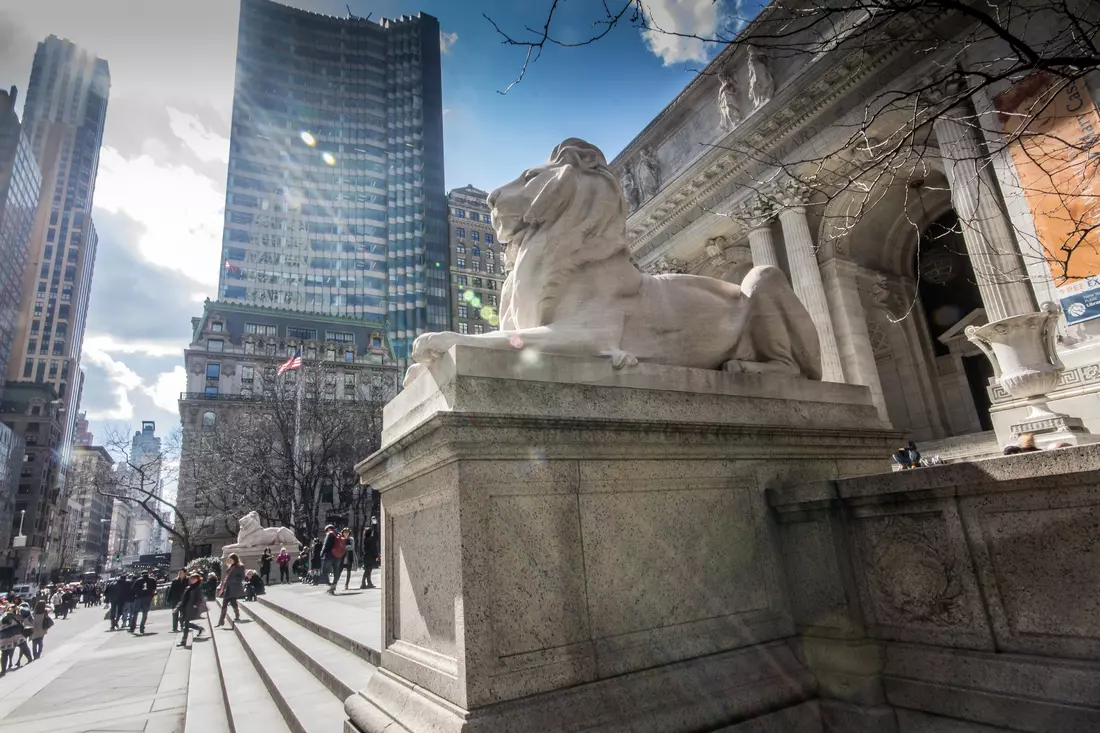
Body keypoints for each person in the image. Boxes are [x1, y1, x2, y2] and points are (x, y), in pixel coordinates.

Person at [176, 572, 206, 648]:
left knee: (185, 624)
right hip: (185, 608)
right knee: (184, 623)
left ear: (197, 579)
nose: (192, 580)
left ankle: (183, 641)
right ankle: (199, 628)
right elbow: (183, 599)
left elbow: (199, 598)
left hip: (191, 608)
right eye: (191, 579)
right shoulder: (188, 588)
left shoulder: (197, 588)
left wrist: (195, 605)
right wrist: (178, 607)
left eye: (194, 579)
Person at [216, 554, 246, 628]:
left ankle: (225, 619)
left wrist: (233, 580)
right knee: (226, 603)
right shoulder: (230, 566)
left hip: (234, 587)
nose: (230, 561)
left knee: (231, 602)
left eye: (231, 559)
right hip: (228, 587)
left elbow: (242, 577)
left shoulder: (240, 566)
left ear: (235, 559)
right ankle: (221, 621)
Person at [131, 570, 158, 634]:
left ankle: (132, 627)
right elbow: (154, 588)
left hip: (139, 598)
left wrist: (137, 593)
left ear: (141, 574)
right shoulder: (152, 580)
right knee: (145, 613)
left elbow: (133, 589)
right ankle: (142, 627)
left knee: (135, 613)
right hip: (148, 597)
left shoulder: (138, 580)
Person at [320, 524, 344, 595]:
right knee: (336, 571)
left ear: (328, 529)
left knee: (324, 570)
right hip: (338, 556)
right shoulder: (339, 534)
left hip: (330, 556)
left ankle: (330, 585)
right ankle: (333, 585)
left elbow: (325, 545)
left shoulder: (330, 534)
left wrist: (322, 553)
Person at [360, 524, 378, 590]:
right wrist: (376, 555)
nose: (373, 533)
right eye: (372, 532)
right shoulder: (371, 540)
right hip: (370, 557)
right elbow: (374, 548)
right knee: (368, 570)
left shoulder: (365, 539)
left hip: (366, 556)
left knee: (367, 570)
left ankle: (368, 583)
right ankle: (364, 583)